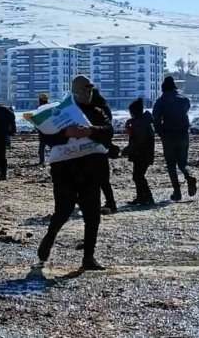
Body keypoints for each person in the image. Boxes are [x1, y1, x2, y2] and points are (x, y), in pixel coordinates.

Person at [37, 75, 112, 271]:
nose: (88, 93)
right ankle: (49, 238)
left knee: (92, 214)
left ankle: (88, 257)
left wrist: (90, 131)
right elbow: (48, 137)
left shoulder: (97, 111)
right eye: (85, 90)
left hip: (90, 170)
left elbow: (108, 131)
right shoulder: (60, 113)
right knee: (63, 210)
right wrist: (66, 134)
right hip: (65, 170)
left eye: (90, 90)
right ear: (75, 91)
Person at [152, 76, 196, 201]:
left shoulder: (160, 101)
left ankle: (177, 192)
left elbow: (156, 120)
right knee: (183, 162)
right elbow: (186, 111)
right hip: (183, 134)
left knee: (171, 164)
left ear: (163, 88)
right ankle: (190, 176)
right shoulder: (184, 99)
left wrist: (161, 133)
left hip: (169, 135)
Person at [123, 98, 155, 206]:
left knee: (138, 176)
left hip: (142, 154)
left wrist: (128, 149)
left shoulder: (141, 124)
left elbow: (139, 141)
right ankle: (141, 197)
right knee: (138, 176)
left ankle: (148, 197)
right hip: (143, 154)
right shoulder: (142, 121)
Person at [91, 91, 118, 214]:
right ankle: (110, 202)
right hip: (103, 146)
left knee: (96, 178)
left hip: (95, 146)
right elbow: (108, 127)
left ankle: (106, 203)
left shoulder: (93, 109)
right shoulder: (104, 106)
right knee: (103, 179)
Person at [36, 93, 50, 165]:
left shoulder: (39, 108)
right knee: (52, 146)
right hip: (51, 129)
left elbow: (36, 120)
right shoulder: (51, 107)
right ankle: (55, 160)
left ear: (40, 100)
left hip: (42, 130)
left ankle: (42, 161)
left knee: (42, 146)